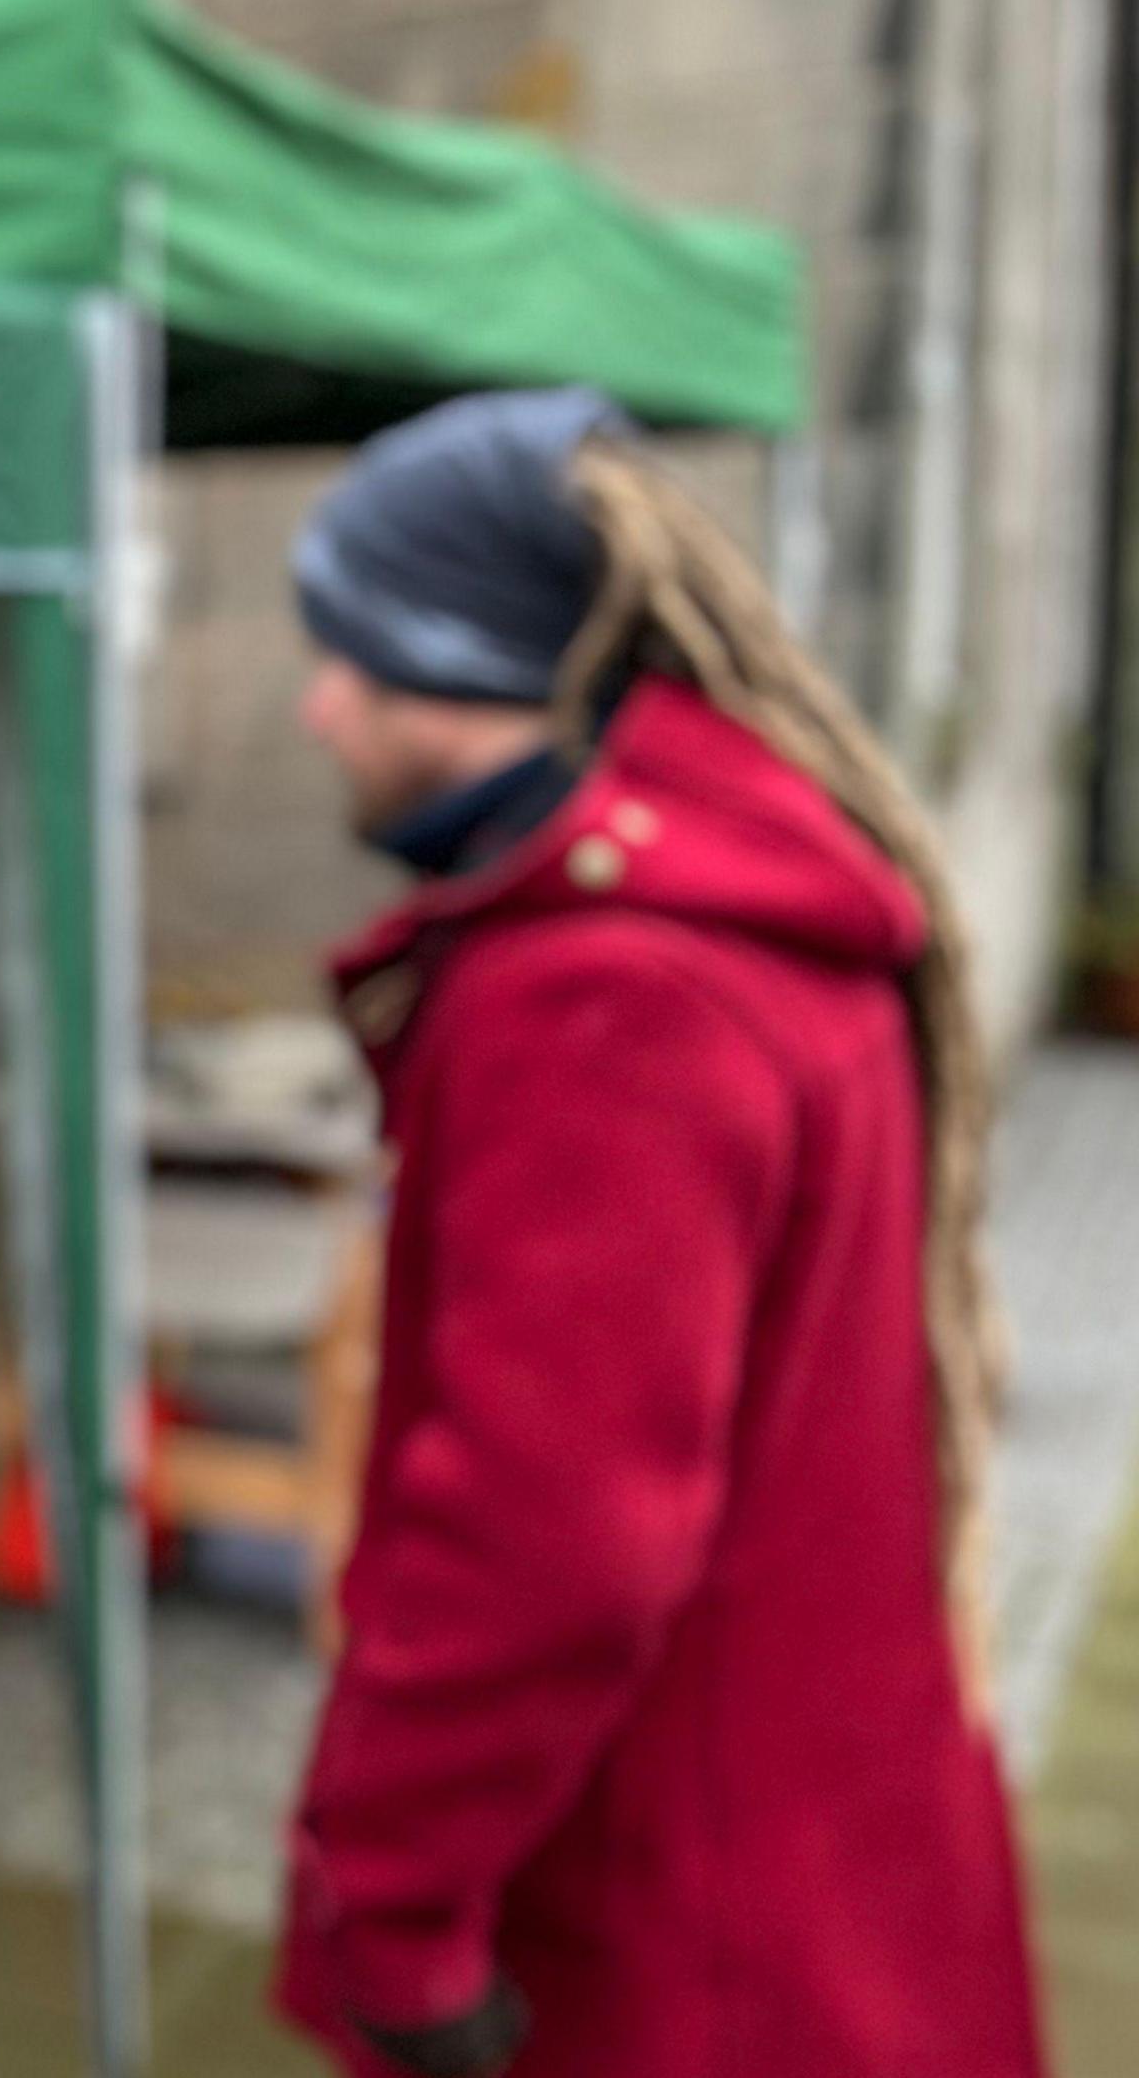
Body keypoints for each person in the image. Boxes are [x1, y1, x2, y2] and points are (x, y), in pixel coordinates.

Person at [273, 388, 1046, 2077]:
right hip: (828, 1856)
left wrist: (387, 1910)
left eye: (351, 655)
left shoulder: (604, 992)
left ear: (462, 660)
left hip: (669, 1935)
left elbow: (549, 1529)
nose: (318, 706)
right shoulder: (750, 906)